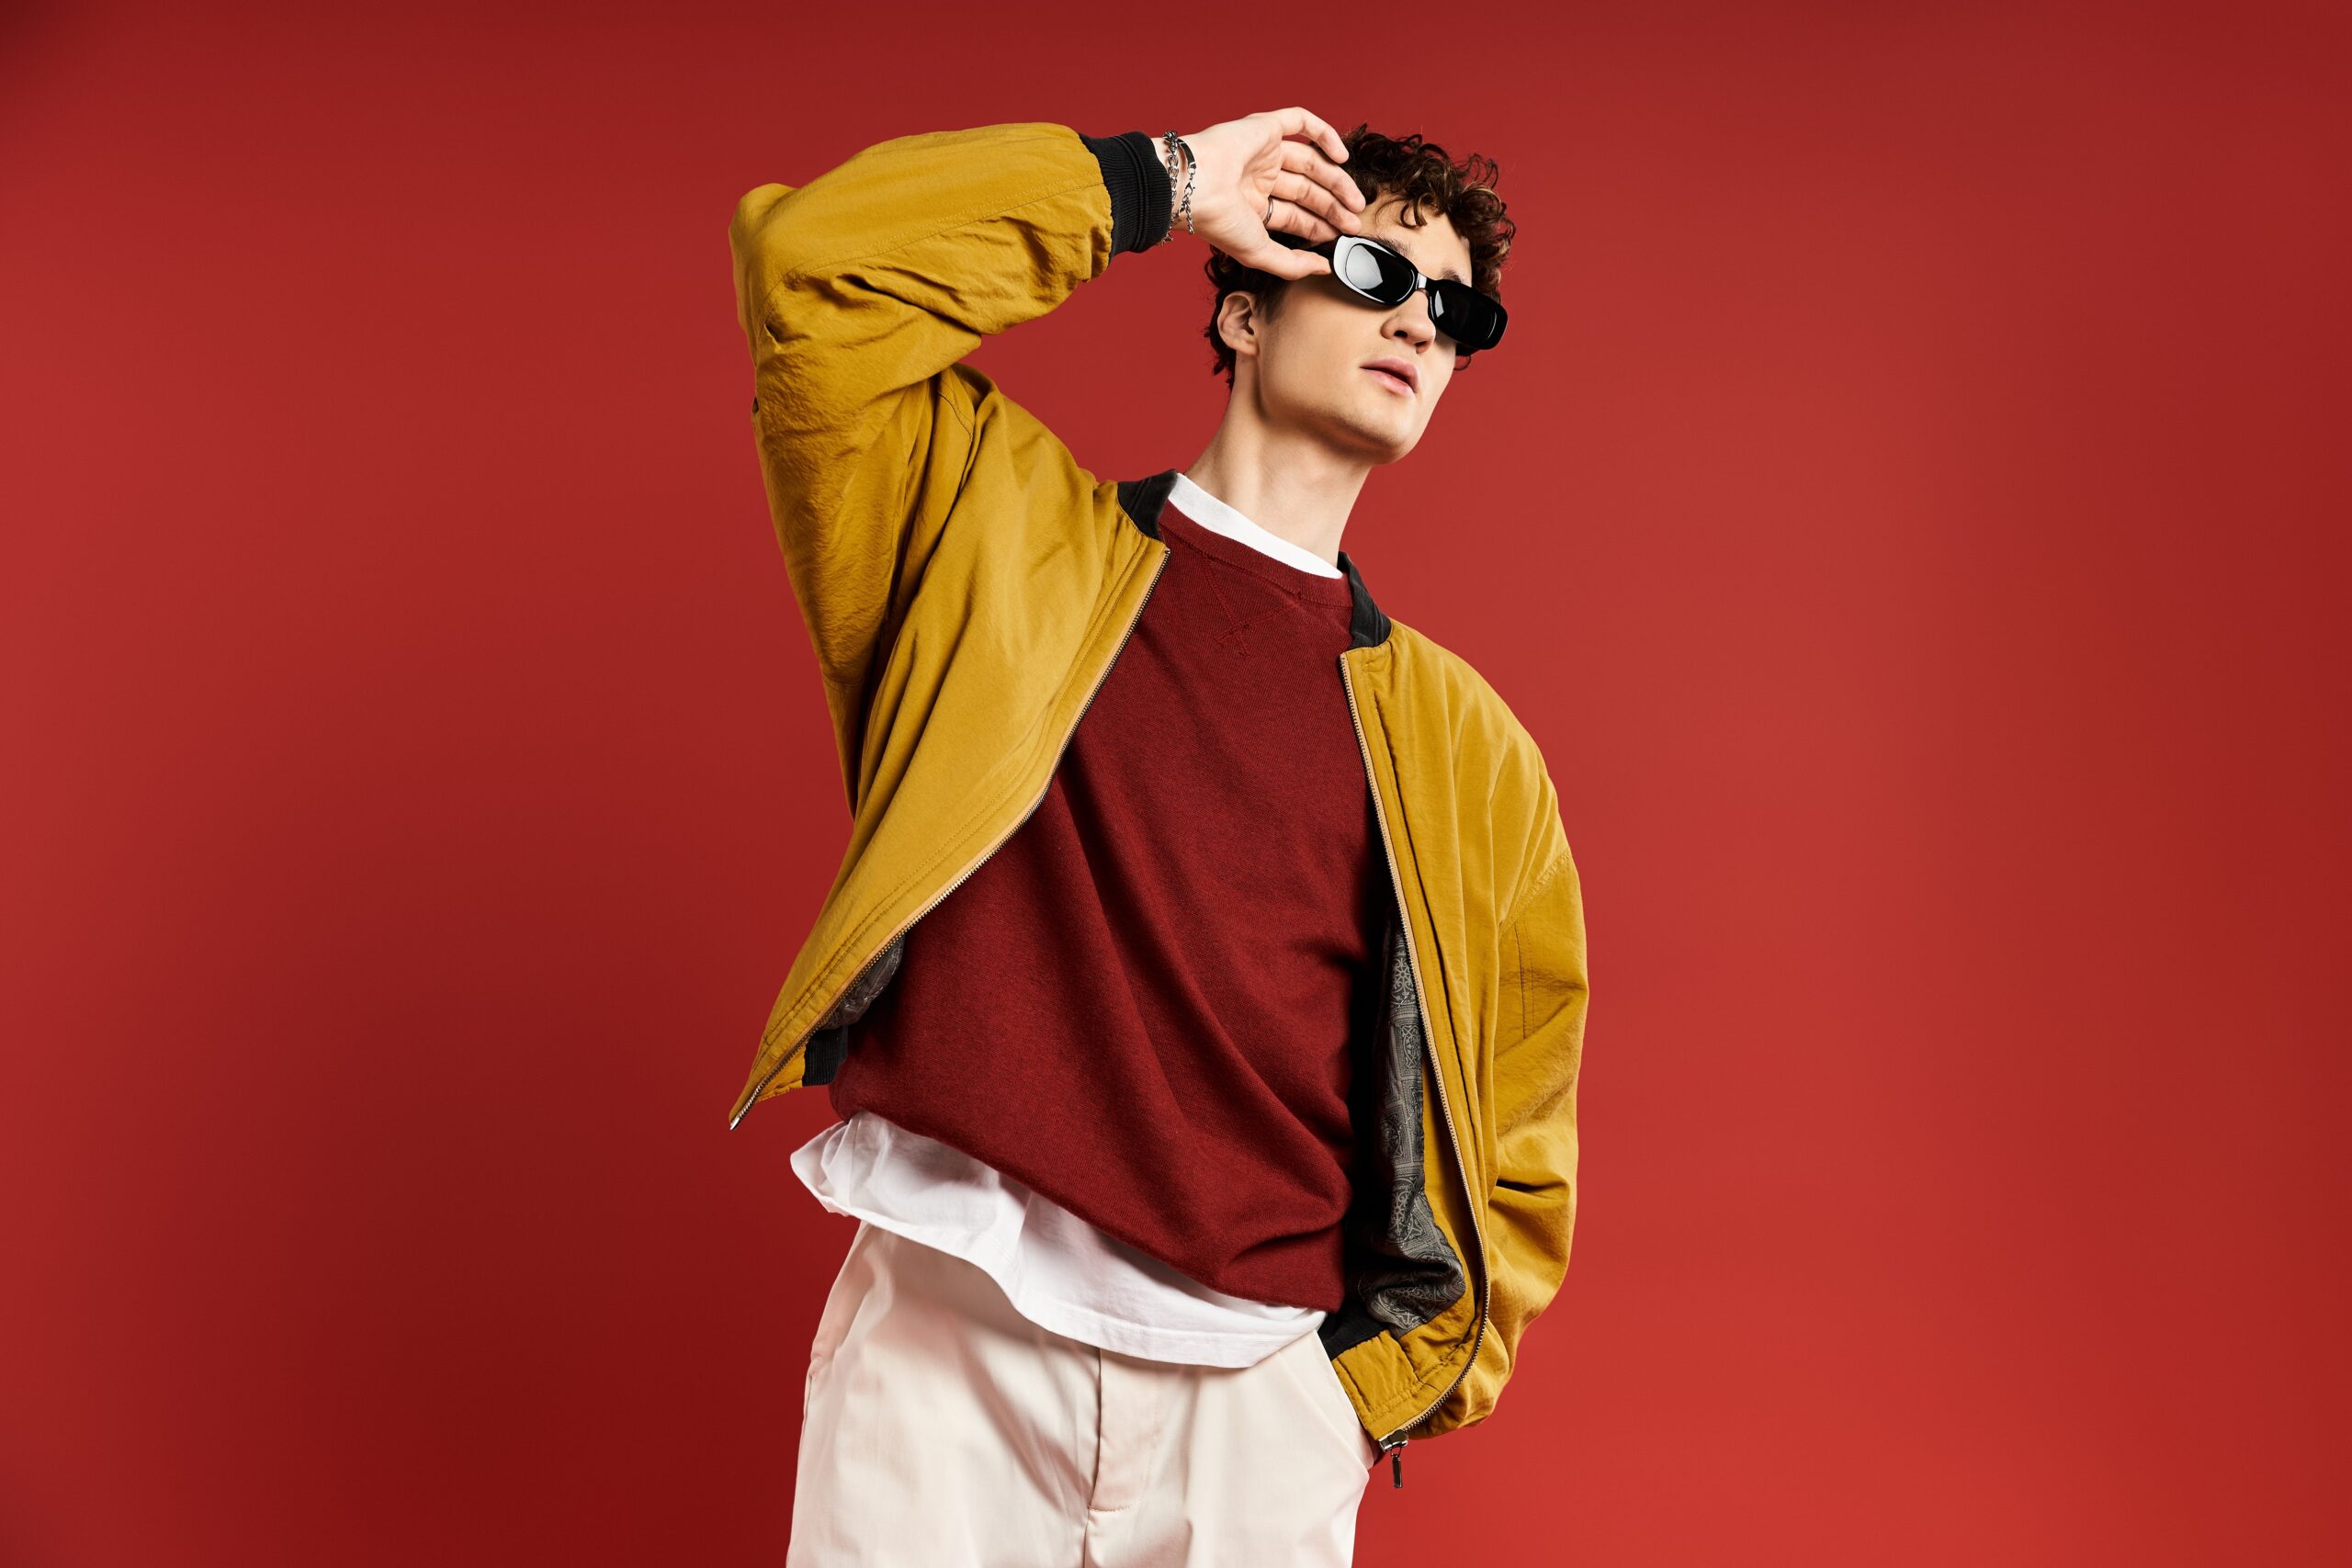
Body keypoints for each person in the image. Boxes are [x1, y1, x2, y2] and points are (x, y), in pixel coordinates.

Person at [723, 106, 1590, 1566]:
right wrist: (1165, 182)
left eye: (1455, 311)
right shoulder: (996, 536)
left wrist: (1350, 1402)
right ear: (1246, 311)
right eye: (1375, 273)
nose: (1419, 324)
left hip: (1257, 1415)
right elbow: (814, 270)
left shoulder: (1473, 756)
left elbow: (1521, 1128)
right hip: (951, 1340)